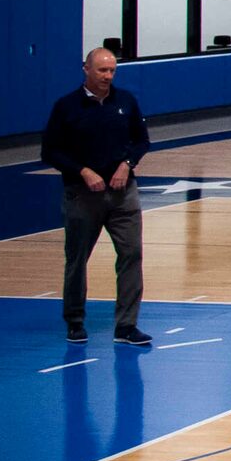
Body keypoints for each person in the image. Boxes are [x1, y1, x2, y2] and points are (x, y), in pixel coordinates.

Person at [41, 47, 151, 346]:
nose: (108, 76)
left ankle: (127, 326)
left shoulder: (125, 101)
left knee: (131, 255)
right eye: (102, 70)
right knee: (77, 259)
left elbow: (142, 141)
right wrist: (83, 171)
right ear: (86, 69)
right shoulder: (66, 107)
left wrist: (127, 165)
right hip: (82, 196)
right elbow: (50, 151)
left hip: (122, 194)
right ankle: (75, 321)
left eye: (112, 70)